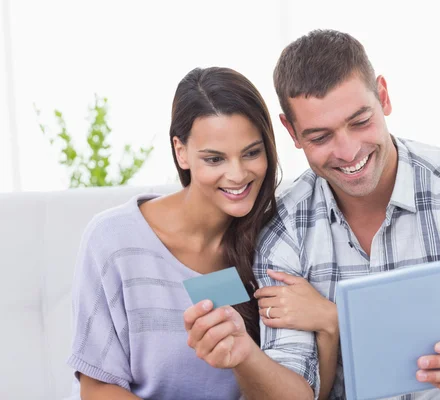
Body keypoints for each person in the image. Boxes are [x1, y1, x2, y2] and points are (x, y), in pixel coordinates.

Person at [184, 30, 440, 400]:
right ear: (292, 132)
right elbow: (297, 383)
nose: (348, 151)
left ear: (383, 96)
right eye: (320, 137)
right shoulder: (285, 228)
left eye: (360, 121)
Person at [66, 66, 335, 399]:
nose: (237, 175)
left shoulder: (275, 241)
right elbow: (97, 387)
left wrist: (329, 324)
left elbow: (308, 392)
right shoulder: (114, 241)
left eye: (251, 153)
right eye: (214, 159)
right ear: (181, 152)